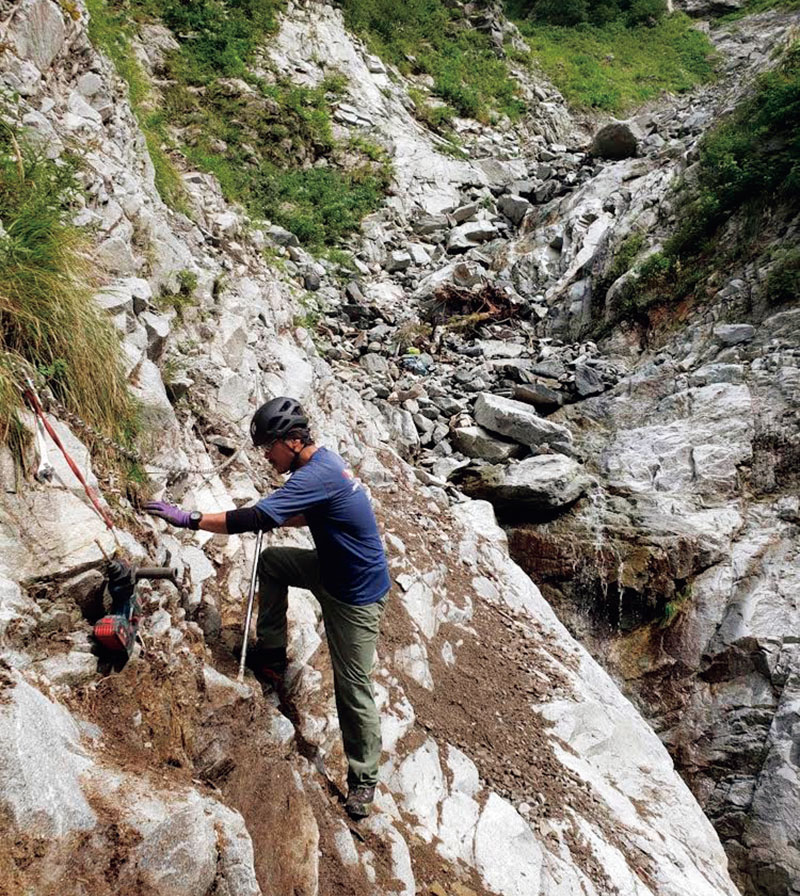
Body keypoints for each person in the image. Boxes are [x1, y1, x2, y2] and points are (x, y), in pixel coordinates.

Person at [144, 396, 391, 819]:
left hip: (355, 595)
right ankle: (272, 654)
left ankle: (363, 782)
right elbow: (311, 512)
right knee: (273, 563)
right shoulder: (323, 466)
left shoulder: (317, 474)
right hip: (331, 569)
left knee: (353, 686)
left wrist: (190, 519)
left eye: (269, 445)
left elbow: (254, 520)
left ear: (293, 441)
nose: (265, 454)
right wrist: (279, 513)